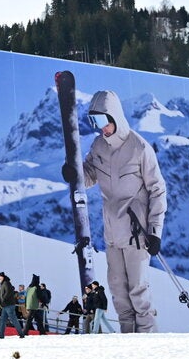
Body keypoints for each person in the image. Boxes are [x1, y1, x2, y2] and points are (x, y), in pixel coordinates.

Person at [64, 89, 166, 333]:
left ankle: (149, 342)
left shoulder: (139, 148)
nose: (100, 128)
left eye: (101, 121)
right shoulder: (99, 146)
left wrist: (155, 232)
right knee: (119, 293)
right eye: (94, 122)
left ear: (114, 117)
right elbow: (89, 175)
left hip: (137, 233)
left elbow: (158, 191)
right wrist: (74, 173)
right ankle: (129, 342)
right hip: (112, 233)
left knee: (138, 292)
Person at [0, 273, 25, 338]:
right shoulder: (2, 284)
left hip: (9, 305)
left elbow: (8, 293)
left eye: (0, 277)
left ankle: (21, 334)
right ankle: (1, 335)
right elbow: (2, 295)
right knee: (3, 320)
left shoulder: (6, 283)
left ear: (3, 277)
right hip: (5, 305)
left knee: (14, 320)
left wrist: (2, 301)